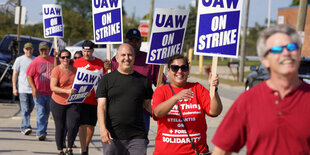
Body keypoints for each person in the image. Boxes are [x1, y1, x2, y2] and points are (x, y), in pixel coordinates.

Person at [212, 25, 310, 154]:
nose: (286, 53)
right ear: (265, 61)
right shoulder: (248, 100)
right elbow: (221, 151)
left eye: (291, 47)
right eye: (277, 49)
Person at [152, 54, 222, 155]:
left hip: (196, 152)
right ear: (168, 71)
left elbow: (215, 111)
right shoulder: (161, 91)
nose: (179, 71)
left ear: (188, 71)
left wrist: (214, 90)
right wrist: (176, 98)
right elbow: (157, 113)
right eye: (175, 68)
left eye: (183, 68)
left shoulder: (197, 88)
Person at [108, 28, 166, 139]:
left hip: (142, 112)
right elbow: (108, 83)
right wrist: (107, 69)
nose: (134, 43)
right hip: (119, 112)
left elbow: (160, 83)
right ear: (126, 42)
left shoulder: (149, 59)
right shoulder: (116, 60)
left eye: (137, 41)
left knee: (139, 146)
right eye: (131, 41)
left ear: (140, 43)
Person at [96, 43, 153, 155]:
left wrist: (165, 114)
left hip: (138, 137)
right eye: (123, 55)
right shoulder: (106, 80)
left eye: (130, 55)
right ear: (116, 58)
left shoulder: (143, 81)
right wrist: (103, 129)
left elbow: (148, 106)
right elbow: (101, 106)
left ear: (134, 58)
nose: (126, 58)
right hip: (112, 136)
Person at [73, 40, 105, 155]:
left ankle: (85, 146)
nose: (86, 54)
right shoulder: (76, 63)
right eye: (84, 51)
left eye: (88, 51)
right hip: (81, 99)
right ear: (82, 50)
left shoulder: (100, 63)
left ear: (93, 51)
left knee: (91, 125)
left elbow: (106, 77)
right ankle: (84, 150)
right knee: (83, 124)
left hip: (95, 100)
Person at [50, 49, 79, 155]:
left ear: (70, 58)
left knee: (73, 125)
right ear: (59, 59)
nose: (65, 59)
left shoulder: (75, 70)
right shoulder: (56, 70)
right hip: (57, 102)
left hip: (72, 102)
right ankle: (60, 150)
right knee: (60, 127)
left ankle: (70, 148)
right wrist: (66, 91)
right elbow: (52, 87)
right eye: (63, 57)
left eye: (67, 57)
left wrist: (85, 92)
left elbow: (79, 85)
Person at [26, 41, 54, 141]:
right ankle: (41, 132)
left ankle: (43, 131)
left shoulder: (53, 60)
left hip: (51, 92)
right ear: (39, 50)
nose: (44, 51)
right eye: (42, 50)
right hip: (39, 92)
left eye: (45, 49)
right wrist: (33, 88)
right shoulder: (35, 62)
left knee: (46, 113)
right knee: (41, 112)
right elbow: (29, 75)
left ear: (48, 50)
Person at [12, 42, 35, 135]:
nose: (28, 51)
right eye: (27, 49)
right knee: (25, 109)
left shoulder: (35, 60)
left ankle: (23, 126)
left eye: (30, 49)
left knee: (30, 108)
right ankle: (26, 127)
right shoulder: (19, 60)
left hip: (33, 89)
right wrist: (14, 87)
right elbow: (15, 74)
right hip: (22, 89)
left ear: (33, 50)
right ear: (24, 50)